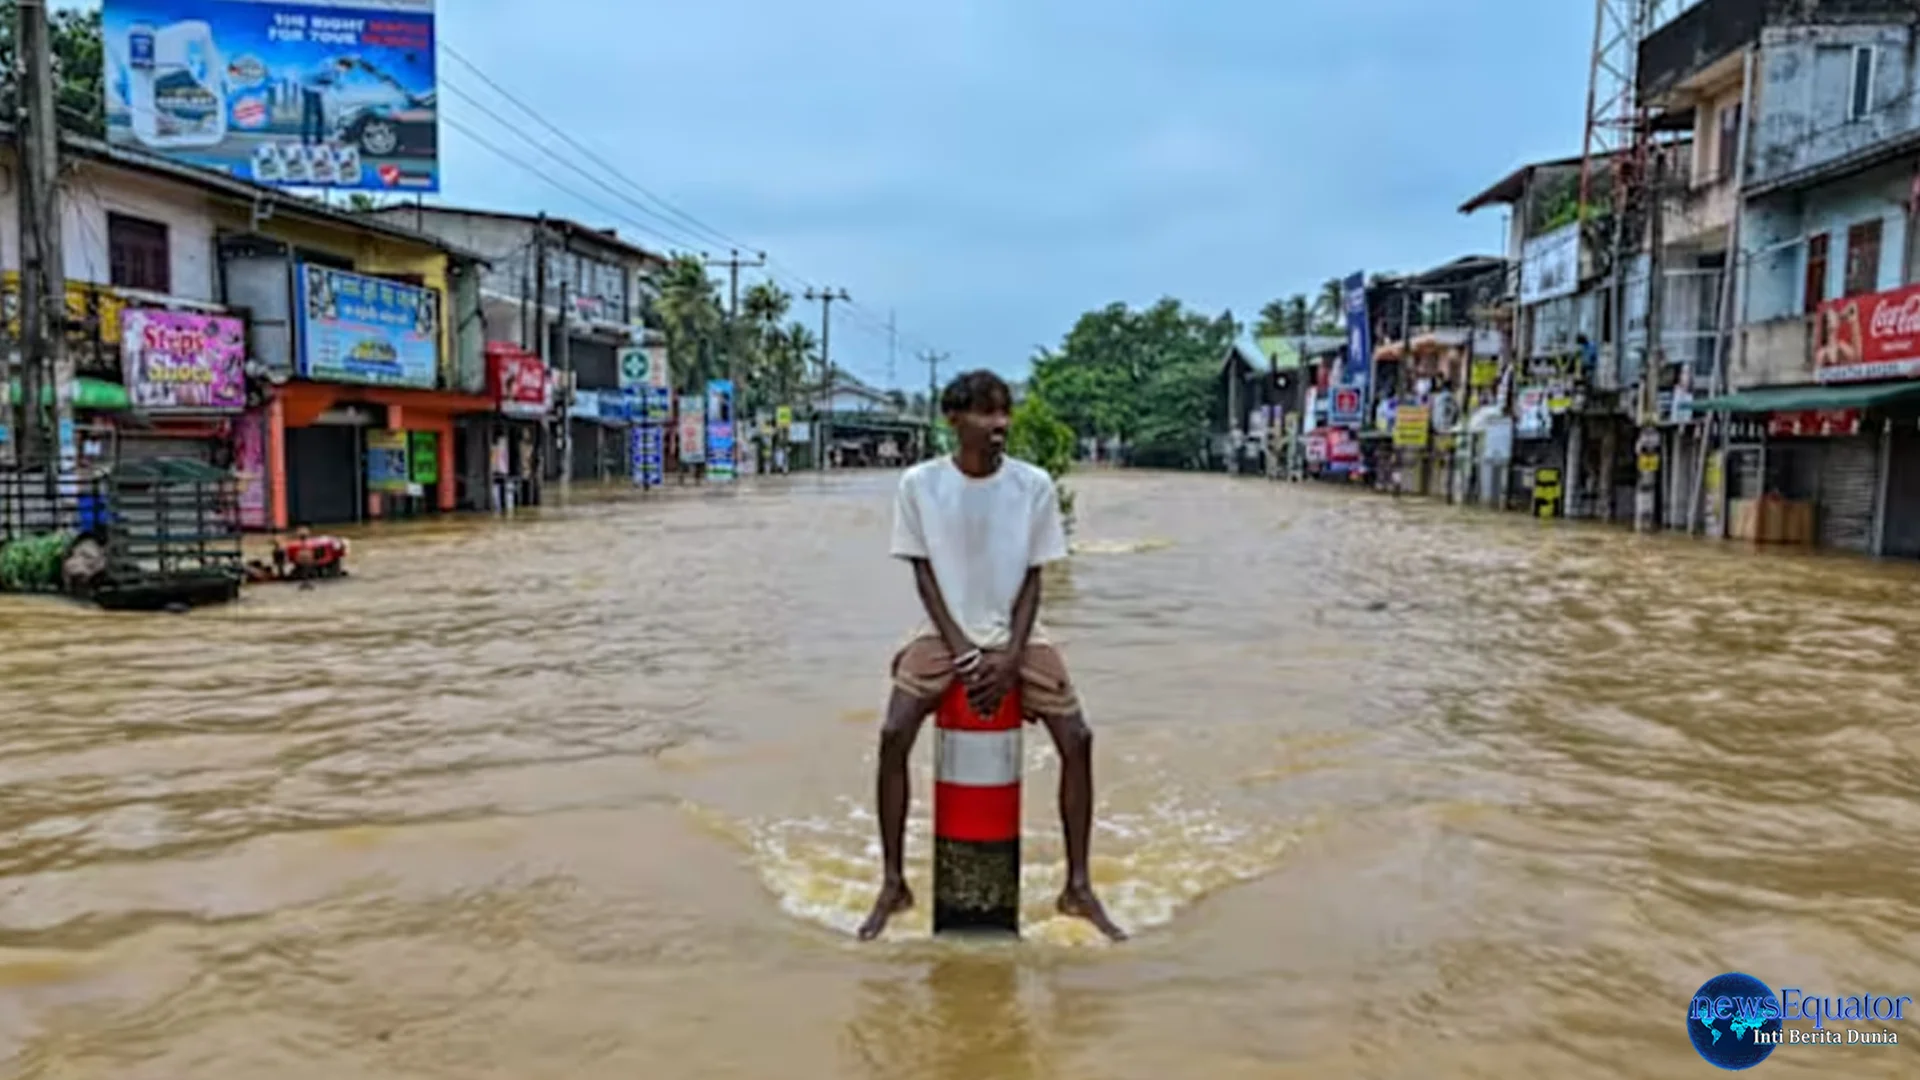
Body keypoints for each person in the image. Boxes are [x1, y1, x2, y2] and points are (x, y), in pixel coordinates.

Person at [858, 369, 1125, 942]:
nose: (999, 424)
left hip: (1020, 633)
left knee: (1077, 738)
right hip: (942, 630)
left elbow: (1035, 580)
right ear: (954, 420)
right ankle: (892, 882)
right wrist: (960, 652)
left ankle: (1078, 886)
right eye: (984, 413)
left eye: (1004, 412)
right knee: (892, 734)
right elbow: (924, 575)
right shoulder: (919, 484)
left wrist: (1010, 660)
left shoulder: (1032, 485)